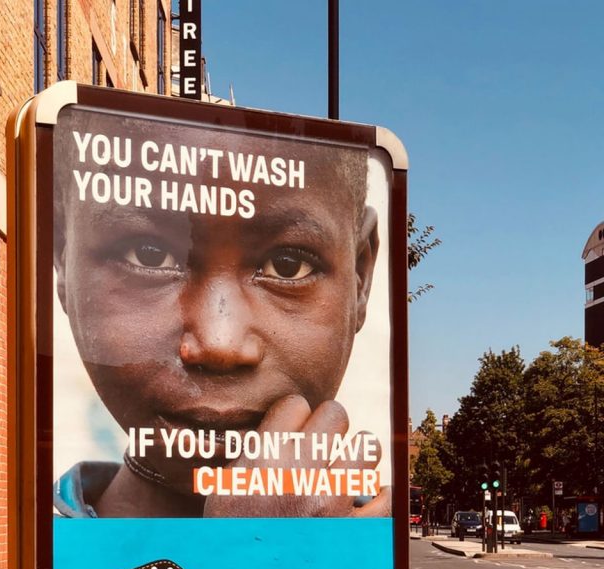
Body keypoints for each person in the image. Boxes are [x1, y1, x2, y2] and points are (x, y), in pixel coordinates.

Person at [53, 108, 390, 519]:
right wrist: (251, 558)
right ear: (62, 257)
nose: (220, 343)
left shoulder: (375, 556)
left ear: (360, 278)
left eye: (288, 265)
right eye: (149, 254)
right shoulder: (34, 561)